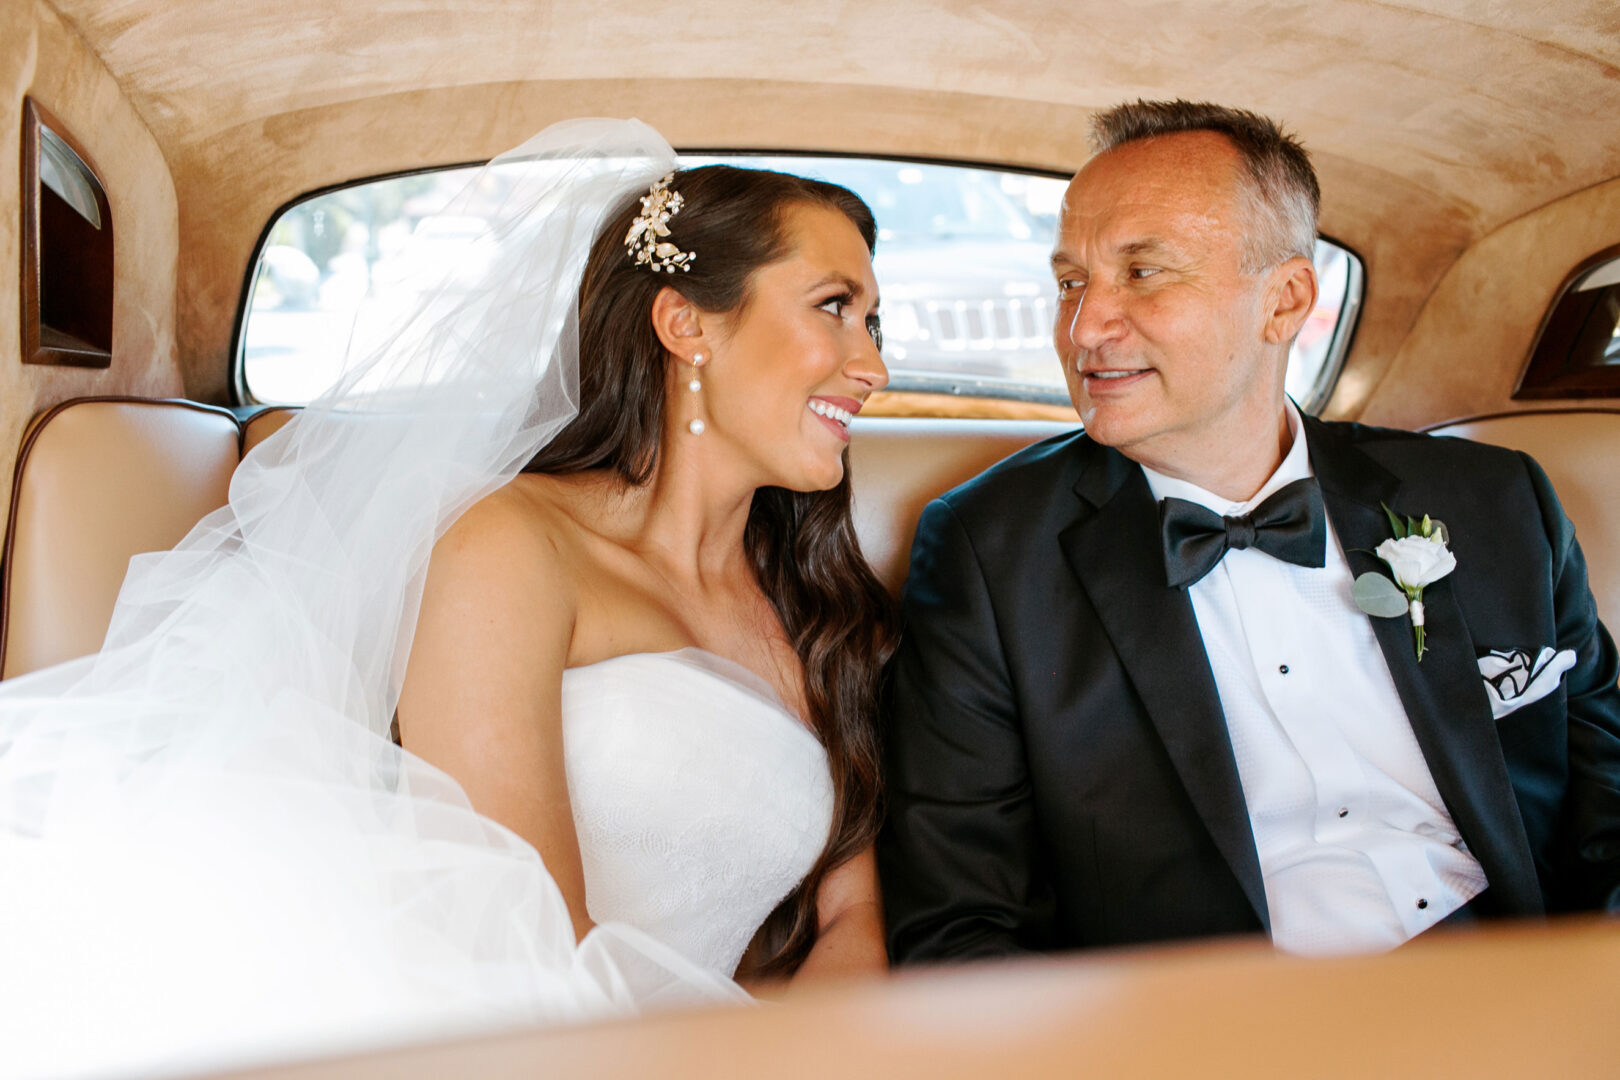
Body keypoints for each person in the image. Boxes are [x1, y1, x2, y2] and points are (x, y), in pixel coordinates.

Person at [0, 119, 894, 1078]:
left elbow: (853, 920)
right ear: (687, 326)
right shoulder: (506, 548)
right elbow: (520, 946)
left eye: (874, 324)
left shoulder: (813, 602)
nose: (874, 367)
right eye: (834, 307)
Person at [879, 100, 1620, 963]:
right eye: (1071, 282)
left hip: (1517, 976)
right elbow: (960, 918)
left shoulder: (1493, 498)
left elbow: (1607, 778)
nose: (1083, 330)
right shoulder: (988, 553)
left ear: (1286, 301)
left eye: (1144, 272)